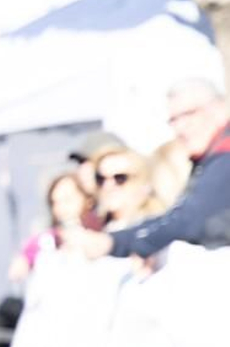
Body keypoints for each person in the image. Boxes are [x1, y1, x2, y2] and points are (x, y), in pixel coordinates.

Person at [68, 80, 230, 262]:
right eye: (173, 120)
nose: (180, 128)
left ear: (220, 109)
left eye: (189, 114)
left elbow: (187, 221)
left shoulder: (225, 157)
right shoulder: (211, 158)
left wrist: (117, 243)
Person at [7, 172, 93, 284]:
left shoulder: (101, 234)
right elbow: (17, 269)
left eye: (67, 200)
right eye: (54, 202)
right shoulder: (46, 239)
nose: (61, 208)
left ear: (87, 200)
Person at [89, 144, 165, 230]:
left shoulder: (156, 227)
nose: (107, 186)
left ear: (143, 183)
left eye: (120, 178)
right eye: (100, 179)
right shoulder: (101, 228)